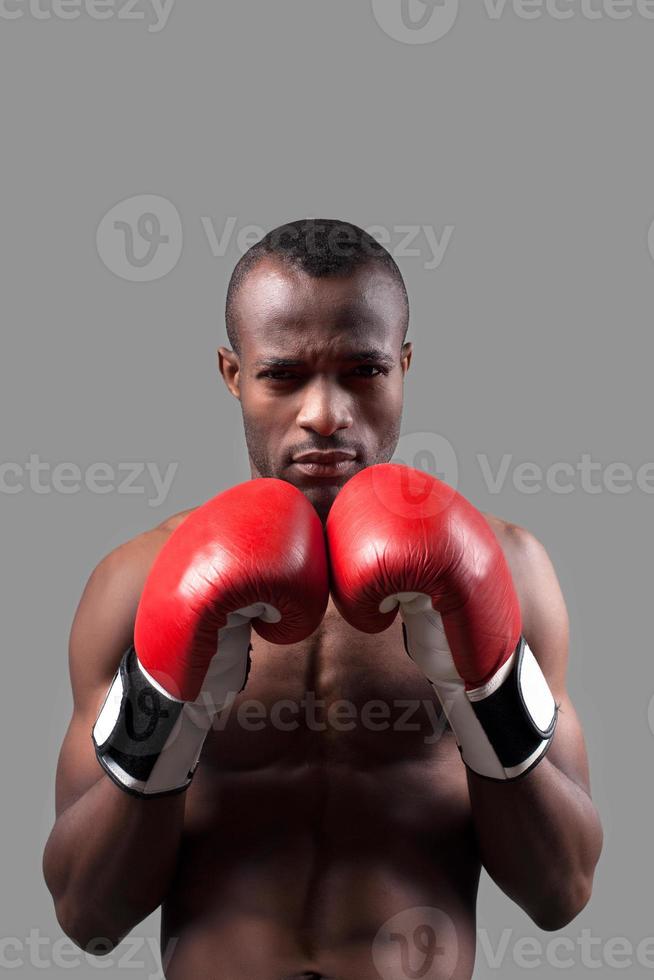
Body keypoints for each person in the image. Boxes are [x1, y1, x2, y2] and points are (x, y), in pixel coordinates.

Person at [43, 219, 603, 980]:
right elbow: (86, 915)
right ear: (232, 374)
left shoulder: (510, 569)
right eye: (283, 376)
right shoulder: (138, 579)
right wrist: (168, 704)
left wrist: (484, 688)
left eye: (364, 371)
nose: (326, 414)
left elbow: (560, 891)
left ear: (404, 367)